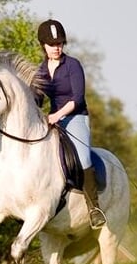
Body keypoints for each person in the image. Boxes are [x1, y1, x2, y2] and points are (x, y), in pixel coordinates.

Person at [32, 18, 106, 228]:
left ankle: (94, 209)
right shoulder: (41, 71)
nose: (57, 48)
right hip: (53, 120)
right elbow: (37, 99)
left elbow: (78, 98)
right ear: (43, 46)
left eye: (59, 44)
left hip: (75, 117)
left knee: (82, 158)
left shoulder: (72, 65)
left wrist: (56, 116)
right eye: (52, 45)